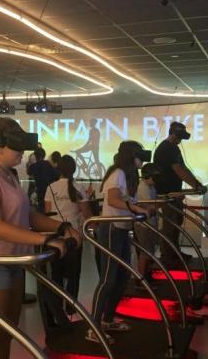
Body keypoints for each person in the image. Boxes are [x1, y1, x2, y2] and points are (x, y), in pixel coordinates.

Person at [0, 117, 80, 359]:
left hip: (11, 261)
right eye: (17, 147)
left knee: (6, 335)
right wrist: (44, 240)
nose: (22, 152)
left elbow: (28, 214)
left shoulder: (9, 175)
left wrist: (62, 227)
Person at [90, 141, 151, 343]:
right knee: (108, 279)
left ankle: (107, 320)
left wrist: (140, 208)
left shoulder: (129, 175)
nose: (142, 158)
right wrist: (135, 209)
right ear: (131, 156)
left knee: (122, 277)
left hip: (122, 229)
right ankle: (94, 327)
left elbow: (126, 201)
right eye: (139, 155)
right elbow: (113, 200)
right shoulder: (118, 173)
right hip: (111, 229)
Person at [153, 121, 207, 266]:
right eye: (179, 136)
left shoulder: (173, 148)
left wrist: (197, 183)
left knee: (176, 223)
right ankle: (167, 255)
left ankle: (175, 252)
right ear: (173, 134)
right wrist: (196, 185)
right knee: (170, 225)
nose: (180, 140)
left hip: (174, 193)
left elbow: (183, 168)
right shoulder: (166, 149)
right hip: (168, 194)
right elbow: (179, 170)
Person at [44, 155, 92, 312]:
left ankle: (57, 308)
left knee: (56, 273)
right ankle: (71, 308)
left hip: (55, 236)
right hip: (74, 237)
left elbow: (48, 213)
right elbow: (87, 214)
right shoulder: (79, 188)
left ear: (58, 169)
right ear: (74, 169)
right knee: (73, 274)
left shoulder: (51, 187)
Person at [135, 163, 162, 280]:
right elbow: (149, 205)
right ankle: (141, 279)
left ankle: (147, 277)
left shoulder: (151, 186)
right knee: (145, 253)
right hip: (144, 225)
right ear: (147, 176)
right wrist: (162, 203)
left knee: (149, 252)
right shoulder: (143, 187)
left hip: (149, 223)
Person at [27, 147, 58, 212]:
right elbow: (55, 175)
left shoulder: (34, 166)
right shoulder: (49, 164)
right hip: (50, 190)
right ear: (44, 155)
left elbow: (29, 172)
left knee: (41, 208)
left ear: (35, 156)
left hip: (40, 191)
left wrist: (30, 162)